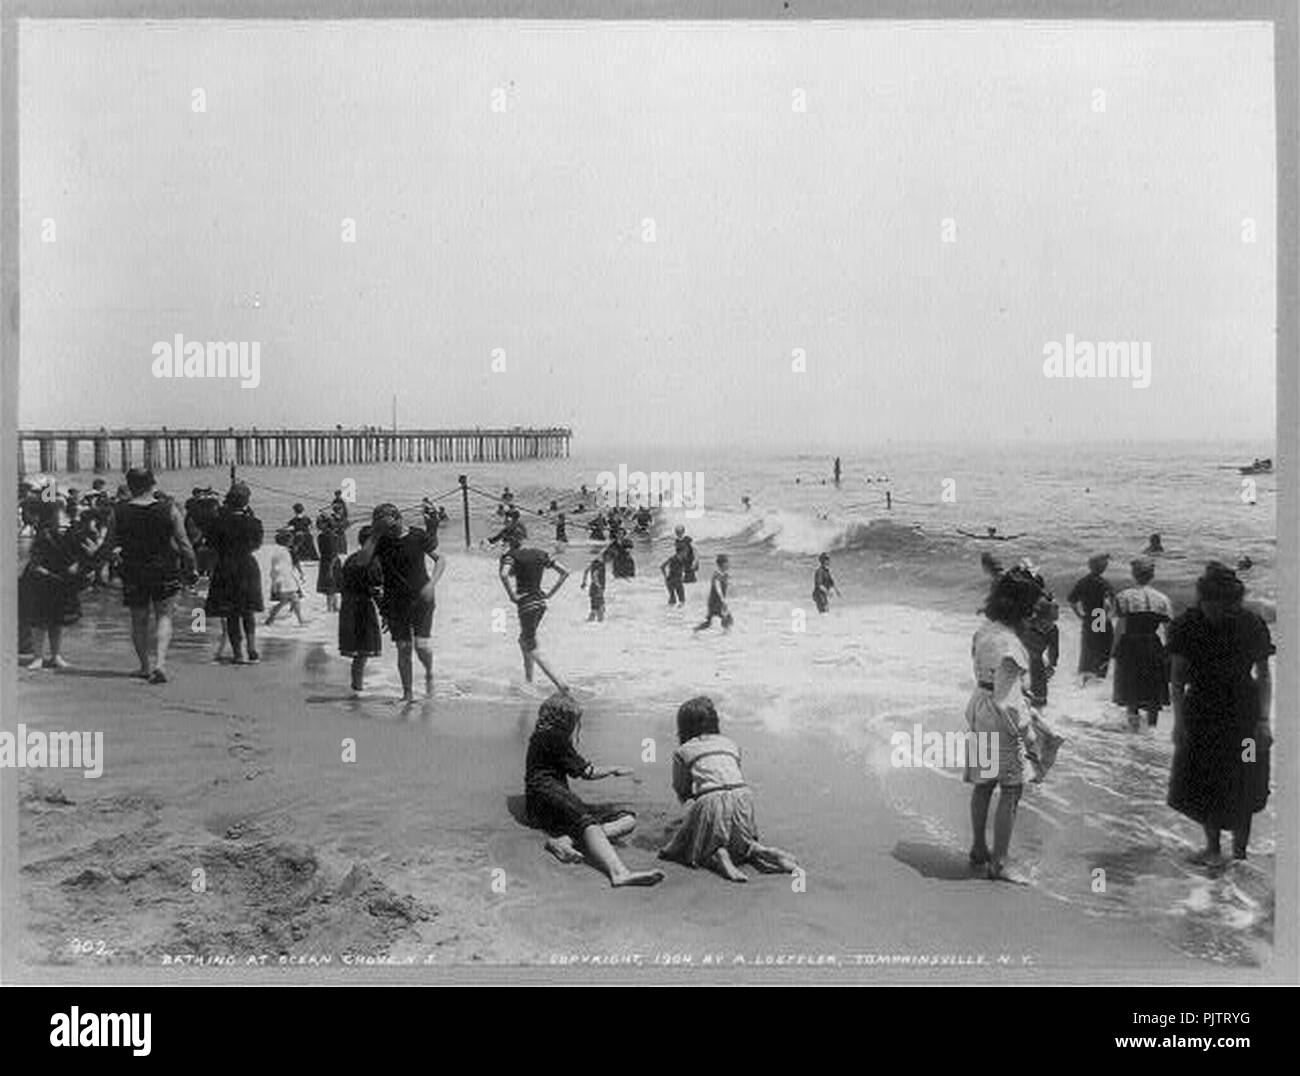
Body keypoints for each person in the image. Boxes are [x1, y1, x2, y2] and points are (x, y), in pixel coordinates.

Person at [1167, 562, 1273, 864]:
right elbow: (1176, 679)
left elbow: (1264, 675)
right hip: (1201, 712)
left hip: (1246, 716)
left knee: (1246, 776)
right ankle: (1213, 847)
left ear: (1234, 601)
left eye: (1227, 604)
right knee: (1205, 776)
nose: (1218, 611)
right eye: (1212, 604)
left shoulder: (1252, 624)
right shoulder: (1186, 625)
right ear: (1202, 599)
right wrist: (1178, 723)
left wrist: (1264, 720)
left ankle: (1240, 853)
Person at [523, 692, 664, 887]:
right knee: (588, 824)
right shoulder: (554, 736)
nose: (575, 726)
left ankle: (563, 842)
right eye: (574, 720)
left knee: (627, 819)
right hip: (547, 793)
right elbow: (587, 772)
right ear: (564, 719)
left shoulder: (540, 736)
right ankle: (618, 872)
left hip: (541, 806)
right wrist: (615, 769)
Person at [658, 696, 798, 882]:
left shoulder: (683, 751)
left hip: (711, 797)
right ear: (715, 722)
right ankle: (764, 851)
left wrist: (690, 804)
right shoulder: (730, 744)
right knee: (743, 842)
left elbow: (681, 788)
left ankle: (718, 855)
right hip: (743, 796)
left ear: (683, 727)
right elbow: (732, 774)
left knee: (693, 844)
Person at [966, 566, 1043, 883]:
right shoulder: (1011, 644)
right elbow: (1010, 701)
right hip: (1001, 716)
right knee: (1011, 788)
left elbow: (988, 677)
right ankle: (999, 863)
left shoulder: (984, 631)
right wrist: (1030, 734)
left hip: (979, 706)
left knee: (984, 782)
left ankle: (979, 847)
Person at [112, 467, 196, 682]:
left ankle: (144, 667)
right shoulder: (169, 509)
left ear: (130, 486)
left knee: (138, 619)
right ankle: (160, 663)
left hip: (133, 570)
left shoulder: (118, 511)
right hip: (164, 569)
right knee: (164, 616)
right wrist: (192, 568)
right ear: (152, 485)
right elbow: (184, 544)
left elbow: (108, 543)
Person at [363, 504, 442, 702]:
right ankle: (407, 693)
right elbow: (362, 561)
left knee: (421, 646)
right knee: (403, 648)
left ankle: (429, 673)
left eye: (389, 524)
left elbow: (440, 560)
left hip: (422, 598)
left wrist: (432, 584)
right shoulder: (380, 541)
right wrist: (375, 535)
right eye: (382, 526)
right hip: (395, 601)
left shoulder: (417, 536)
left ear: (398, 518)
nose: (388, 530)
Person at [18, 498, 87, 669]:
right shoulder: (43, 533)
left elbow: (77, 554)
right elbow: (35, 561)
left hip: (57, 579)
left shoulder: (67, 531)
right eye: (58, 514)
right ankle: (39, 657)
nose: (61, 518)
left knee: (57, 620)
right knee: (40, 621)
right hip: (42, 580)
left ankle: (54, 655)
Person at [499, 528, 570, 690]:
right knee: (524, 640)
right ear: (525, 537)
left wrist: (511, 596)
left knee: (530, 645)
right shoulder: (540, 554)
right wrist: (550, 593)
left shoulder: (512, 556)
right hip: (540, 603)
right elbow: (565, 572)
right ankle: (529, 681)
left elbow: (504, 575)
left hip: (526, 604)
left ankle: (560, 683)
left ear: (511, 540)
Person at [204, 482, 265, 666]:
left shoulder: (218, 522)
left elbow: (211, 544)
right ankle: (252, 648)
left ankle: (238, 653)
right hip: (247, 565)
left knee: (231, 613)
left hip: (225, 566)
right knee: (248, 610)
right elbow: (256, 545)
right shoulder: (254, 522)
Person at [1111, 556, 1172, 731]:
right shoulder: (1162, 599)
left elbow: (1120, 627)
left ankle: (1134, 730)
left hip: (1130, 644)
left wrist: (1113, 650)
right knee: (1153, 693)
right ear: (1151, 576)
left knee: (1132, 692)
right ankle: (1152, 730)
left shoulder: (1124, 596)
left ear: (1133, 574)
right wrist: (1168, 652)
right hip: (1153, 644)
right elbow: (1168, 629)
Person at [338, 525, 384, 692]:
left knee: (358, 651)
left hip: (348, 606)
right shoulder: (373, 561)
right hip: (362, 607)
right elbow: (376, 589)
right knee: (364, 649)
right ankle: (357, 686)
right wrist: (385, 611)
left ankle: (357, 684)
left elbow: (341, 584)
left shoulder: (351, 559)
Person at [1067, 553, 1115, 682]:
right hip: (1099, 616)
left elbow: (1071, 601)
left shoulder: (1083, 582)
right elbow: (1109, 603)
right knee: (1103, 648)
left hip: (1088, 617)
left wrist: (1079, 615)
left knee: (1088, 650)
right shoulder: (1103, 583)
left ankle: (1084, 680)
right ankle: (1098, 679)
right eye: (1105, 564)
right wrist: (1109, 616)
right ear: (1102, 567)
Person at [265, 529, 308, 627]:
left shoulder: (280, 551)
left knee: (286, 601)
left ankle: (270, 619)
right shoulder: (284, 552)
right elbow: (280, 568)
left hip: (284, 579)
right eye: (290, 540)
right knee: (293, 599)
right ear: (286, 541)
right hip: (285, 580)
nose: (292, 541)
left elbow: (276, 568)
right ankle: (301, 621)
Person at [694, 554, 732, 632]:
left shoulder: (725, 575)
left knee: (710, 622)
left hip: (715, 601)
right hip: (716, 602)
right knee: (727, 618)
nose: (729, 564)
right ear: (722, 564)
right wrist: (723, 600)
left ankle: (695, 630)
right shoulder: (717, 575)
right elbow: (717, 587)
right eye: (727, 562)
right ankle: (726, 634)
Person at [315, 511, 342, 612]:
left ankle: (330, 608)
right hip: (329, 561)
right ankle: (334, 606)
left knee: (330, 587)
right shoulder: (329, 535)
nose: (318, 524)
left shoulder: (326, 536)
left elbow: (332, 553)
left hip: (329, 562)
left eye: (320, 522)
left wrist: (330, 568)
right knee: (332, 587)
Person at [581, 554, 606, 622]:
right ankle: (597, 620)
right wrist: (599, 585)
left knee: (596, 605)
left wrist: (584, 582)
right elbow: (595, 575)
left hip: (596, 587)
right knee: (597, 605)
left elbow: (586, 571)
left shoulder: (594, 564)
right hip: (597, 587)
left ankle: (594, 619)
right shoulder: (599, 565)